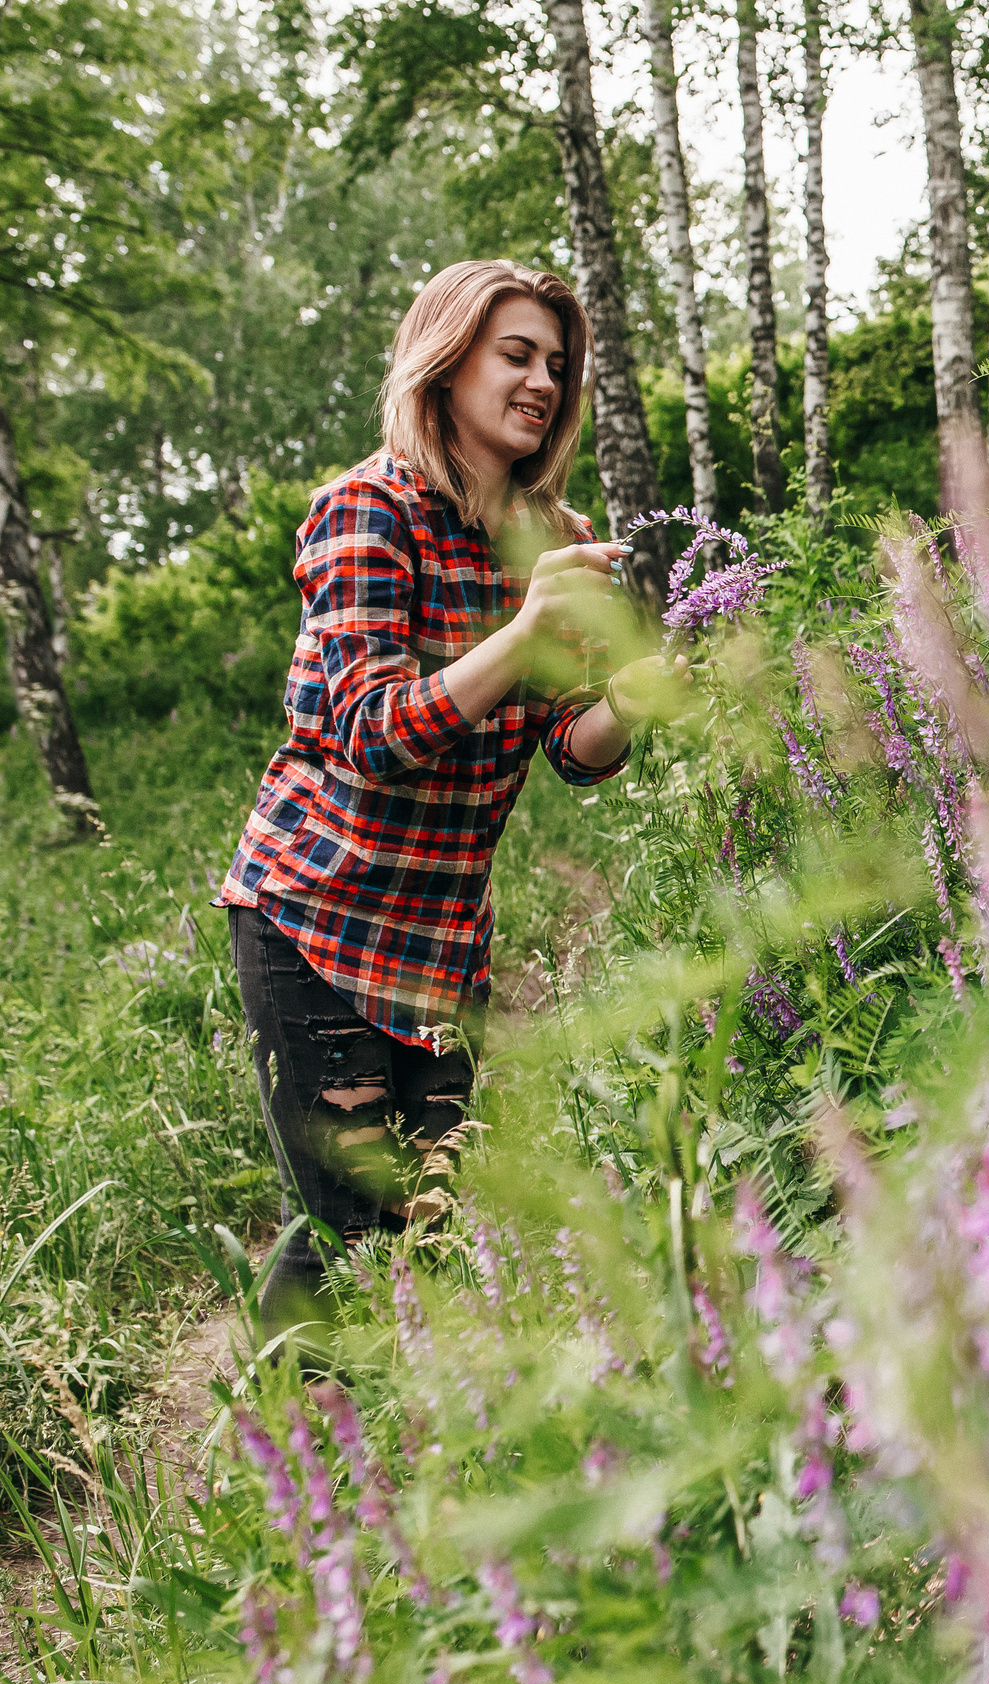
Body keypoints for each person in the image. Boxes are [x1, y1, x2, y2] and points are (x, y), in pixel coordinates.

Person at [216, 259, 681, 1329]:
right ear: (447, 359)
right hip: (313, 922)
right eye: (514, 354)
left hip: (440, 940)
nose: (540, 383)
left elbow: (570, 746)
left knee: (426, 1229)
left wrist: (634, 702)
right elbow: (370, 734)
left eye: (556, 366)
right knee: (349, 1227)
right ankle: (287, 1466)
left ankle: (393, 1470)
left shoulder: (553, 541)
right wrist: (519, 635)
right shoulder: (367, 511)